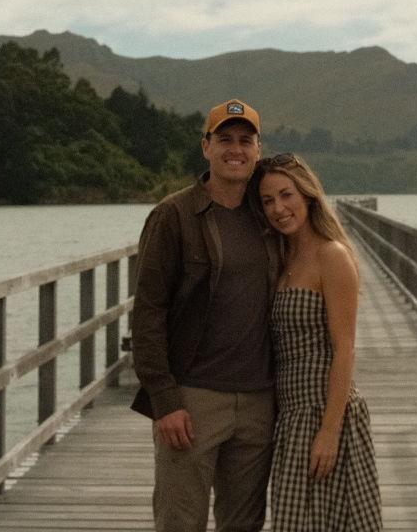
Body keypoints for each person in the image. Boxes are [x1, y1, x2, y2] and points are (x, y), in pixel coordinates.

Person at [130, 98, 281, 532]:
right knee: (180, 522)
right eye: (225, 139)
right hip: (193, 399)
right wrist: (165, 401)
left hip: (258, 400)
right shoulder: (173, 215)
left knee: (244, 524)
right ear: (206, 147)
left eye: (246, 140)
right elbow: (148, 313)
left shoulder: (269, 215)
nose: (236, 149)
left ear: (258, 149)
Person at [256, 153, 383, 532]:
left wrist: (329, 432)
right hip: (291, 417)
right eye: (267, 201)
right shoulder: (281, 256)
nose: (278, 208)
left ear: (308, 195)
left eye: (286, 195)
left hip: (325, 412)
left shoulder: (332, 255)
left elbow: (345, 350)